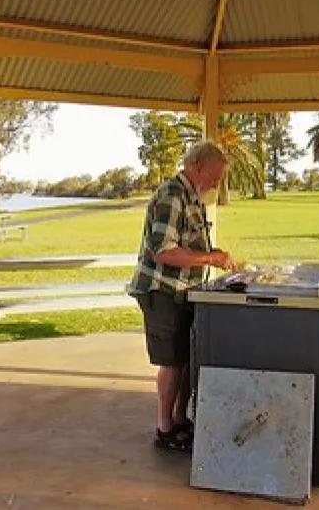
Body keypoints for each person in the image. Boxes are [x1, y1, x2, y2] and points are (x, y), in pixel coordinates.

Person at [127, 140, 237, 453]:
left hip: (186, 291)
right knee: (172, 362)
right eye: (214, 175)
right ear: (196, 166)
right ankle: (164, 429)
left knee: (187, 359)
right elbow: (165, 252)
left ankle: (179, 420)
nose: (216, 183)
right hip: (162, 291)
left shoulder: (194, 197)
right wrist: (210, 260)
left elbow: (191, 245)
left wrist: (211, 254)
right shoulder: (171, 196)